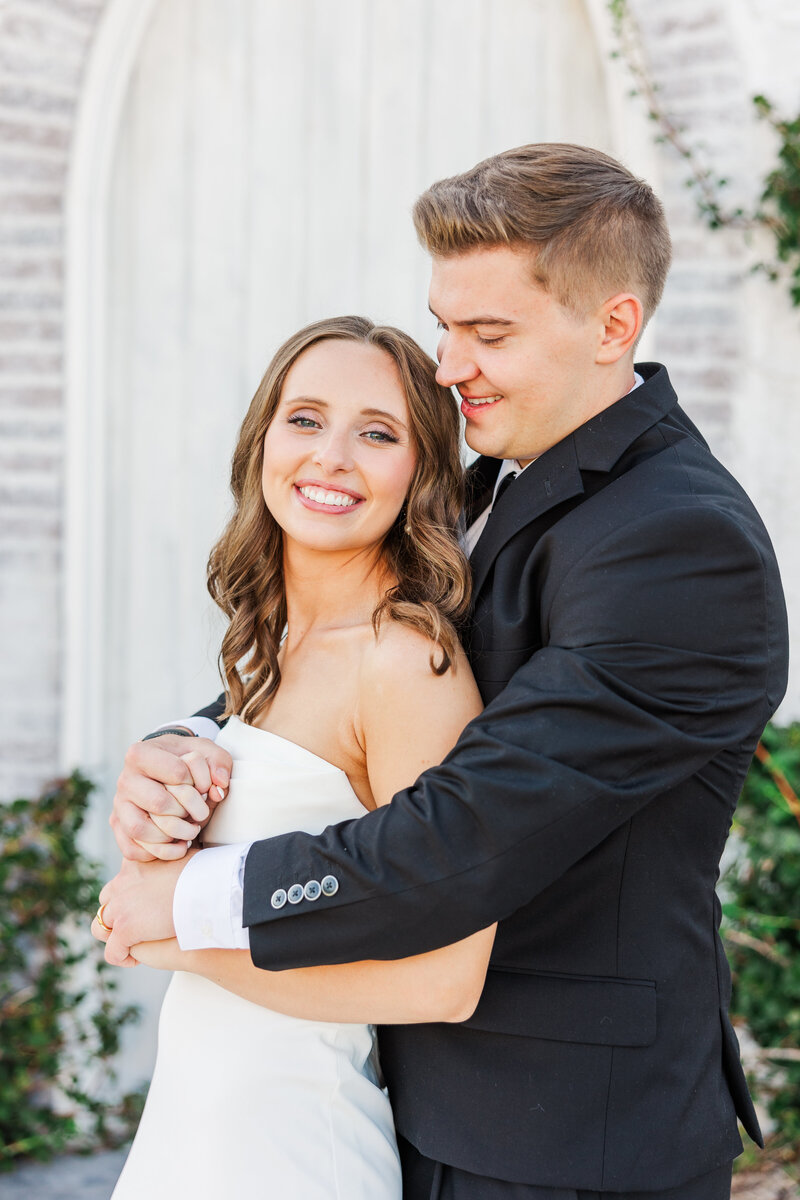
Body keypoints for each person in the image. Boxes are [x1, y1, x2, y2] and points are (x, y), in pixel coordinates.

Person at [96, 144, 789, 1200]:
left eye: (488, 333)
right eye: (444, 324)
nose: (444, 364)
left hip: (561, 1140)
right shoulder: (491, 490)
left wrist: (190, 901)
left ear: (611, 327)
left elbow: (467, 825)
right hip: (416, 1098)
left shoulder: (677, 541)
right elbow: (343, 680)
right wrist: (187, 750)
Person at [103, 315, 492, 1200]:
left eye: (378, 433)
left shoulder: (403, 660)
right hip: (196, 1127)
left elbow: (447, 979)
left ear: (422, 472)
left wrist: (179, 936)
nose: (332, 457)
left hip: (293, 1149)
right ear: (263, 440)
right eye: (306, 418)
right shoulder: (271, 644)